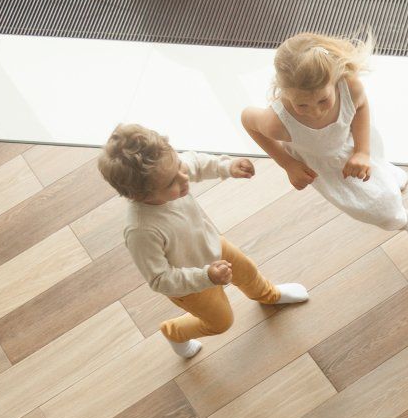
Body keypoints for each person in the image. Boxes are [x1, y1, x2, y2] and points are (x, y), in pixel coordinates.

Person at [100, 123, 308, 359]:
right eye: (171, 183)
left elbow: (195, 164)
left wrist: (227, 166)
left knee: (248, 271)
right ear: (139, 195)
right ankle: (174, 332)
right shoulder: (141, 230)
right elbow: (159, 279)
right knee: (221, 322)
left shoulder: (167, 169)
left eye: (178, 165)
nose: (183, 177)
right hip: (191, 285)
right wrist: (205, 277)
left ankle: (268, 295)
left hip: (214, 245)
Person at [240, 32, 408, 262]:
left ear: (334, 79)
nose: (316, 111)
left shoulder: (349, 86)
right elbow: (247, 119)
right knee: (373, 207)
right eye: (302, 105)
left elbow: (361, 107)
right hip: (328, 167)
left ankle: (387, 179)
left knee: (376, 165)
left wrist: (362, 150)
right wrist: (287, 164)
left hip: (355, 141)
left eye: (323, 101)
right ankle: (407, 222)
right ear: (284, 91)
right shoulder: (277, 123)